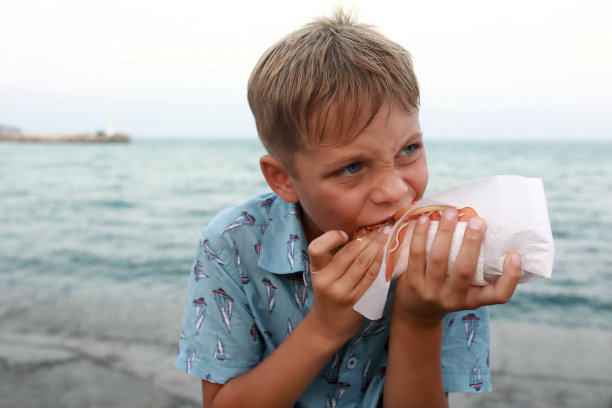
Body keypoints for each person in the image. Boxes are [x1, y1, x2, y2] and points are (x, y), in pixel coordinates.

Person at [175, 8, 521, 407]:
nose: (395, 192)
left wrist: (420, 317)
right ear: (283, 179)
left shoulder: (445, 253)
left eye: (409, 149)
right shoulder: (232, 244)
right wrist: (324, 327)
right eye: (352, 167)